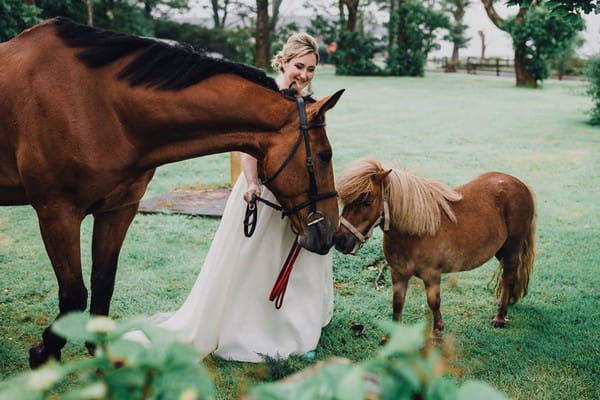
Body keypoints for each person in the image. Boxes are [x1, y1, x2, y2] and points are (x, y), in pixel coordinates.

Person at [127, 33, 333, 362]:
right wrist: (251, 182)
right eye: (299, 66)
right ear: (283, 62)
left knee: (301, 265)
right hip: (263, 192)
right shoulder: (265, 96)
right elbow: (248, 145)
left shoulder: (312, 102)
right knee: (257, 264)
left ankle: (297, 331)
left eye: (311, 69)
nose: (304, 75)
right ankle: (249, 331)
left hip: (296, 196)